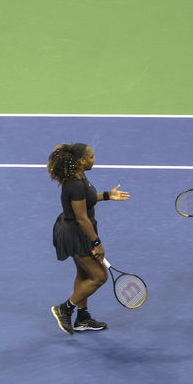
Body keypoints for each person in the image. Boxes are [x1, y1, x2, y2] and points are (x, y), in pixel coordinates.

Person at [48, 142, 131, 335]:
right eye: (91, 156)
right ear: (80, 161)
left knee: (84, 274)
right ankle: (65, 309)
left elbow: (87, 200)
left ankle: (82, 318)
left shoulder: (79, 176)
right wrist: (96, 243)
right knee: (99, 276)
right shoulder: (75, 184)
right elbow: (82, 217)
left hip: (78, 229)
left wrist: (107, 195)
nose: (94, 159)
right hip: (76, 232)